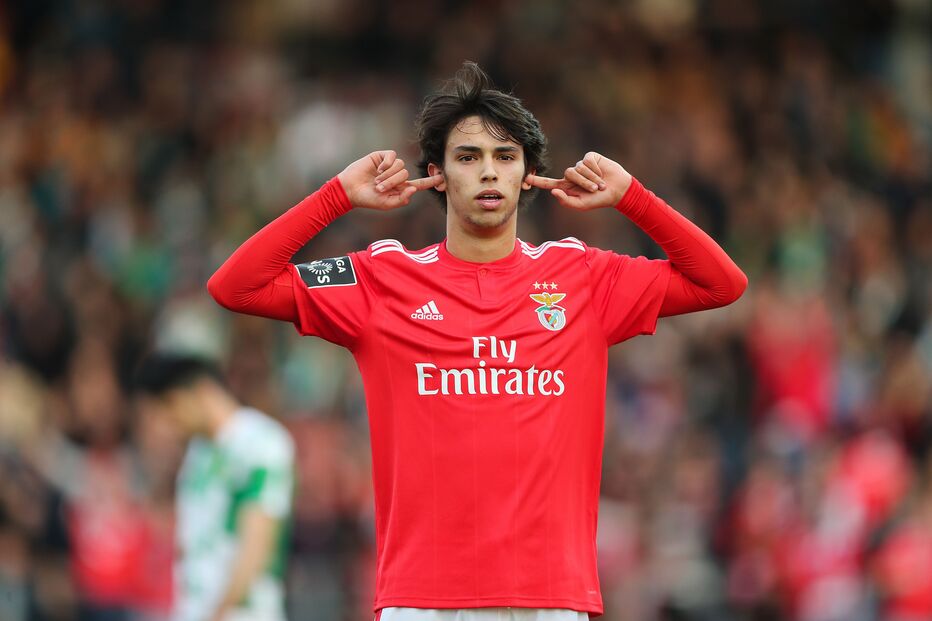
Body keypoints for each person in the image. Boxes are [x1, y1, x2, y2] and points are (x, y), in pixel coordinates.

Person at [206, 61, 747, 621]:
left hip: (551, 600)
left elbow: (721, 284)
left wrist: (633, 197)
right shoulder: (380, 279)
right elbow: (235, 287)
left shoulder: (582, 278)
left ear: (528, 175)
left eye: (504, 157)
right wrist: (336, 197)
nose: (488, 172)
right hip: (423, 602)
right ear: (437, 174)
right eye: (468, 157)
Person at [133, 353, 295, 621]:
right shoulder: (198, 451)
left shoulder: (262, 443)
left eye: (171, 408)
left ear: (199, 391)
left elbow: (257, 543)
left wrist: (217, 616)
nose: (171, 424)